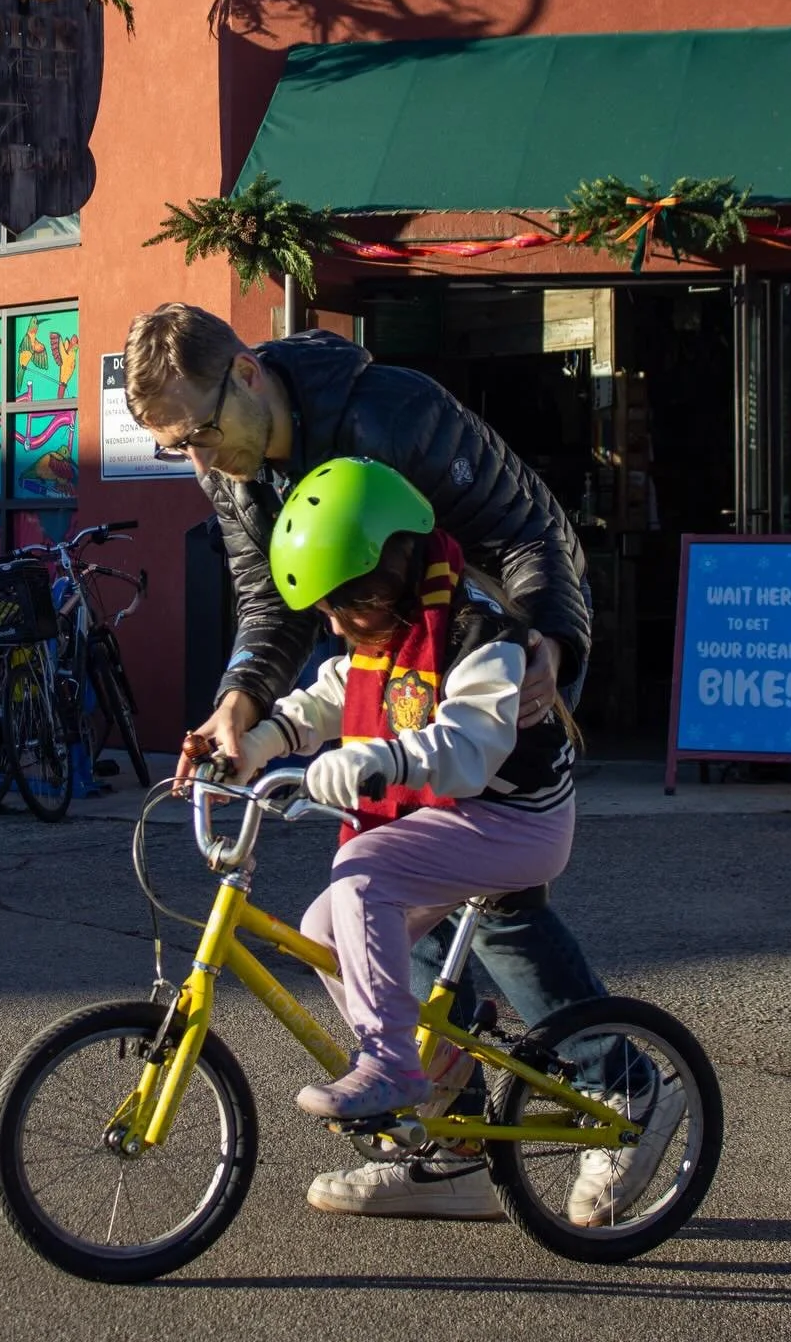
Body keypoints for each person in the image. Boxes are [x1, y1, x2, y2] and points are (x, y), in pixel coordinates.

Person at [124, 303, 672, 1219]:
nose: (200, 462)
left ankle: (621, 1087)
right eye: (176, 448)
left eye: (203, 434)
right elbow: (272, 604)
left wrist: (549, 637)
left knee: (494, 911)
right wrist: (242, 708)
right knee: (364, 920)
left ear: (248, 373)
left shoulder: (393, 413)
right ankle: (454, 1143)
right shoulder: (232, 469)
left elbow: (529, 529)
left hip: (487, 658)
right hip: (392, 675)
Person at [236, 457, 578, 1121]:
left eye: (341, 608)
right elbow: (334, 694)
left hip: (517, 821)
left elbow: (469, 750)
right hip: (460, 815)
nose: (334, 627)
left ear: (383, 583)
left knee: (364, 872)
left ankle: (391, 1063)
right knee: (322, 931)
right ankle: (441, 1081)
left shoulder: (479, 633)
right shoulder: (394, 628)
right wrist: (260, 743)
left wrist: (377, 761)